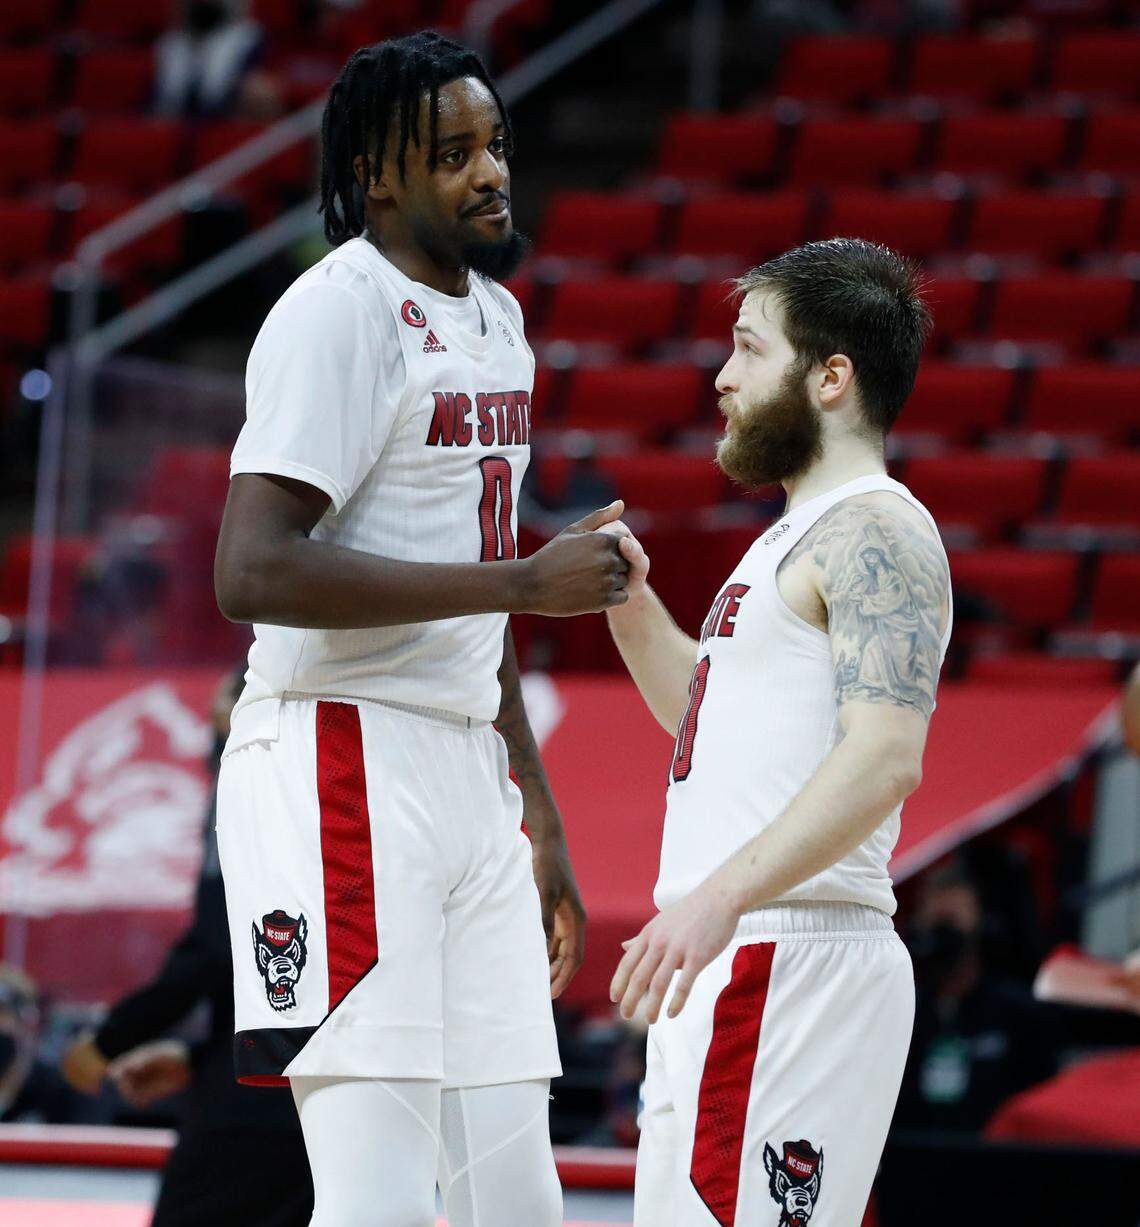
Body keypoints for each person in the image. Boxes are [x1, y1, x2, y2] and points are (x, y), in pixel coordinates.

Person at [211, 31, 631, 1227]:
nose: (490, 171)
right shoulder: (336, 314)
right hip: (338, 756)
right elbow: (251, 569)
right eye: (453, 154)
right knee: (380, 1198)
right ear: (377, 174)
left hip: (463, 767)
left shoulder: (498, 321)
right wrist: (516, 586)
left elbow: (482, 575)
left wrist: (533, 803)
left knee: (516, 1199)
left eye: (496, 143)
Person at [605, 238, 952, 1226]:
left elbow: (886, 755)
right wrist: (633, 610)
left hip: (789, 952)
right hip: (734, 955)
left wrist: (720, 897)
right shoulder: (792, 534)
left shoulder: (875, 528)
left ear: (831, 376)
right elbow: (711, 728)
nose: (722, 377)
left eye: (750, 350)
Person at [59, 669, 313, 1227]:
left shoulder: (254, 778)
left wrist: (110, 1039)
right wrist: (201, 1060)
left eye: (241, 684)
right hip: (306, 1082)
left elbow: (220, 945)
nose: (217, 704)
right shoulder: (308, 783)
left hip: (266, 1099)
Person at [895, 863, 1058, 1134]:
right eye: (935, 925)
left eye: (952, 925)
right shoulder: (901, 1017)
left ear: (981, 926)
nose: (943, 941)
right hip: (912, 1162)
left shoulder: (1019, 1016)